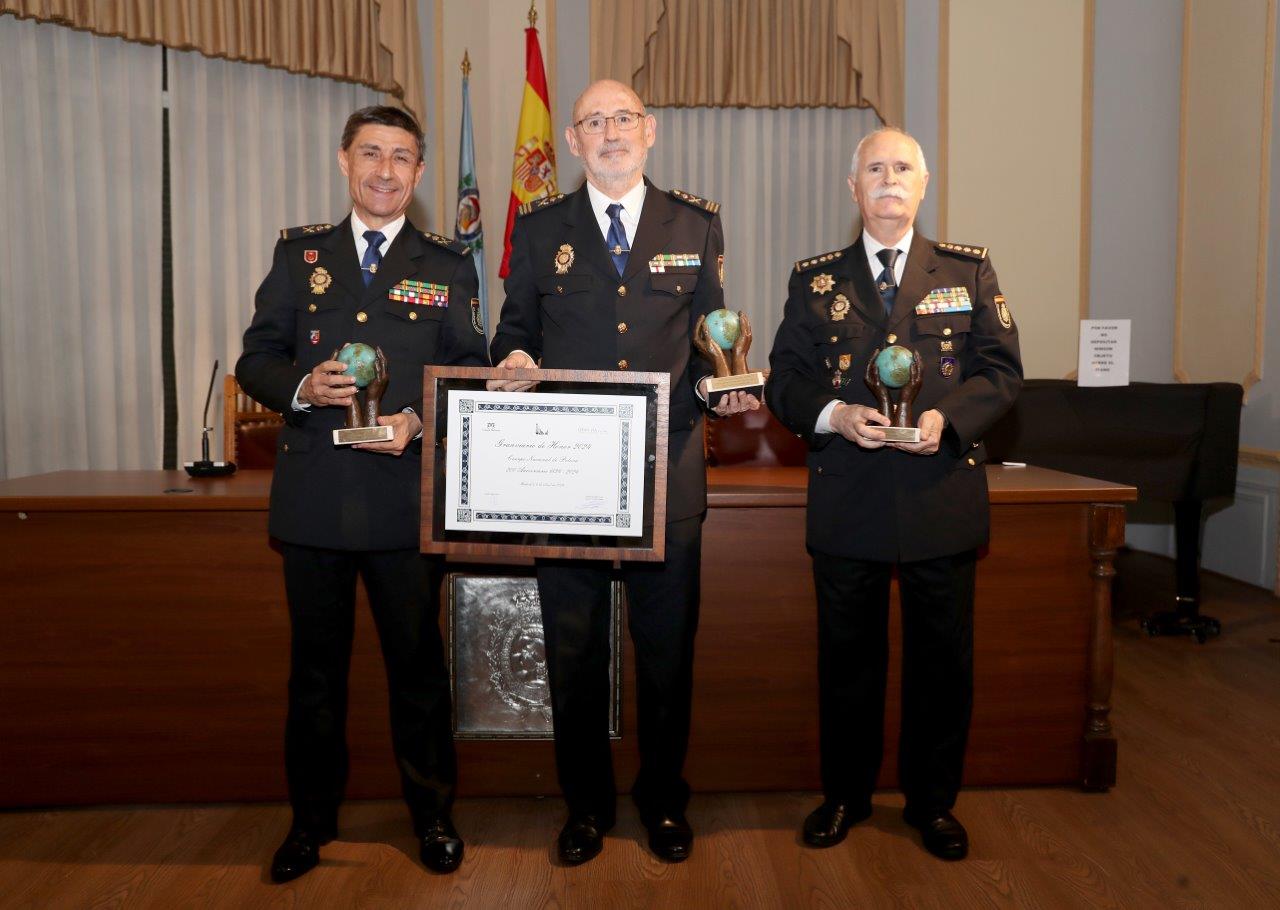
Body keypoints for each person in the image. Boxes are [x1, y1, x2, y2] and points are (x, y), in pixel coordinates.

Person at [487, 79, 757, 865]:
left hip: (667, 472)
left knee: (667, 653)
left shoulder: (694, 223)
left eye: (624, 119)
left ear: (652, 131)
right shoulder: (541, 229)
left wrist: (724, 387)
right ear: (571, 141)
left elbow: (715, 336)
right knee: (572, 655)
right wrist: (511, 358)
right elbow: (515, 327)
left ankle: (664, 803)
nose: (611, 132)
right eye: (594, 122)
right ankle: (586, 808)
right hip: (564, 476)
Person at [236, 105, 488, 883]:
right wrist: (302, 387)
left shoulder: (446, 264)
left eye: (401, 157)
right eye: (371, 154)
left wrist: (417, 417)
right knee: (315, 675)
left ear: (418, 174)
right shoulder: (299, 255)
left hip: (402, 501)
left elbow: (471, 369)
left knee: (417, 671)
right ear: (345, 161)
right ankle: (310, 824)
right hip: (315, 500)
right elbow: (255, 358)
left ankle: (433, 817)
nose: (385, 170)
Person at [766, 127, 1022, 860]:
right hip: (849, 497)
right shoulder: (814, 279)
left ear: (924, 182)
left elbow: (1002, 372)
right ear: (853, 189)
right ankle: (845, 797)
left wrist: (950, 421)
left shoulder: (967, 271)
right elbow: (785, 379)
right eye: (873, 168)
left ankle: (932, 804)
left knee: (942, 665)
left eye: (900, 167)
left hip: (940, 493)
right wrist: (835, 415)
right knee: (848, 664)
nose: (887, 178)